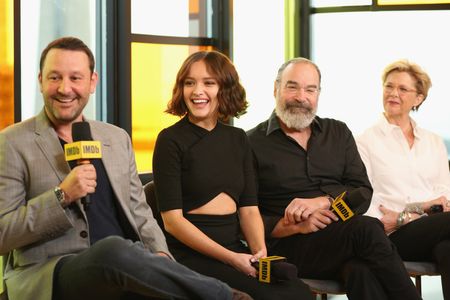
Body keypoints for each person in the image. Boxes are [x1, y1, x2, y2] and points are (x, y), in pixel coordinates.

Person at [0, 37, 252, 300]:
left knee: (124, 255)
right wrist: (62, 196)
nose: (65, 88)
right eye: (55, 77)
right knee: (112, 250)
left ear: (92, 82)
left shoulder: (116, 138)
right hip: (55, 270)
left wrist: (161, 256)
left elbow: (140, 211)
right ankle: (225, 297)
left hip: (127, 267)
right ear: (41, 80)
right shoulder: (12, 142)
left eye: (75, 78)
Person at [247, 57, 421, 300]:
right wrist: (293, 225)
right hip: (292, 247)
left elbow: (362, 192)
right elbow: (246, 214)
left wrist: (325, 202)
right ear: (276, 89)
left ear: (318, 93)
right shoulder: (250, 143)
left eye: (310, 89)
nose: (301, 96)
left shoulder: (337, 132)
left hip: (343, 236)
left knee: (360, 271)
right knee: (368, 228)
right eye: (292, 86)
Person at [152, 51, 314, 300]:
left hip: (235, 248)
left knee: (299, 293)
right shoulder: (170, 140)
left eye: (209, 83)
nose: (197, 91)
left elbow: (249, 209)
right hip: (191, 254)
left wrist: (260, 253)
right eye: (189, 82)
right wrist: (233, 259)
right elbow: (172, 222)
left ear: (224, 88)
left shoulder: (238, 139)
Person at [356, 59, 450, 298]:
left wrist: (413, 211)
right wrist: (416, 212)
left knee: (448, 249)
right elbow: (367, 201)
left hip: (434, 230)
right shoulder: (364, 141)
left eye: (402, 89)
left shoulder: (433, 141)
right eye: (389, 86)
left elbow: (444, 194)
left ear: (418, 98)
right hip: (392, 236)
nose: (393, 93)